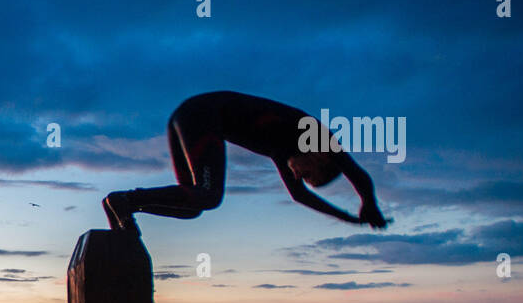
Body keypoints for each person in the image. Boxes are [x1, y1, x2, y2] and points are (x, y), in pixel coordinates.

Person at [103, 91, 388, 231]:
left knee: (195, 207)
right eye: (308, 175)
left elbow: (298, 196)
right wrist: (369, 205)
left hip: (188, 118)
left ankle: (126, 207)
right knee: (210, 197)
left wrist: (348, 218)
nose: (299, 176)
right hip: (202, 116)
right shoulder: (310, 132)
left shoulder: (281, 149)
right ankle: (126, 200)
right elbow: (356, 172)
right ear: (321, 159)